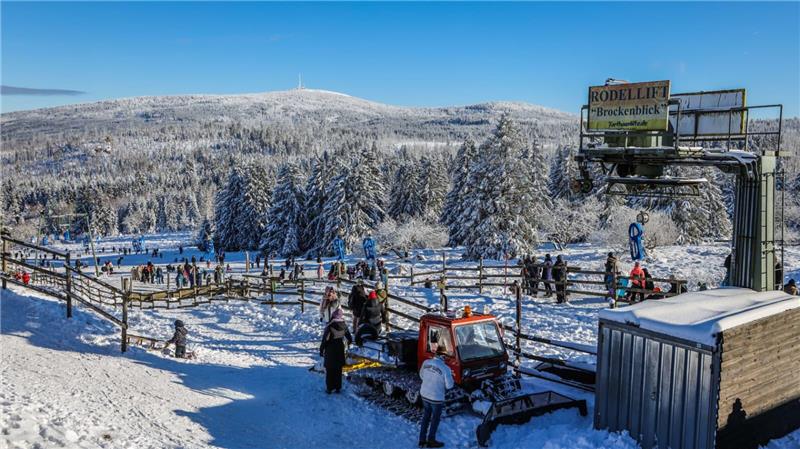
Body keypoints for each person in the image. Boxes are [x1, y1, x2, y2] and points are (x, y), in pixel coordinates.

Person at [418, 343, 454, 448]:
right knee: (435, 419)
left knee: (426, 417)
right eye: (446, 356)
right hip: (436, 398)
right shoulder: (445, 368)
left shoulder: (426, 362)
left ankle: (421, 440)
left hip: (424, 394)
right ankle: (431, 440)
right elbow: (449, 386)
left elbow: (421, 376)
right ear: (443, 356)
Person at [319, 309, 352, 394]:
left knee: (330, 370)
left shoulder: (330, 326)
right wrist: (347, 343)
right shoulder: (344, 325)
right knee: (338, 370)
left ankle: (329, 388)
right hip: (340, 348)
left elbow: (325, 339)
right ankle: (338, 388)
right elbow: (350, 338)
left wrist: (321, 349)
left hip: (330, 349)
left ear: (333, 316)